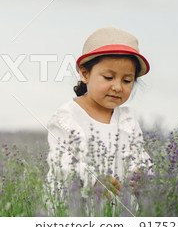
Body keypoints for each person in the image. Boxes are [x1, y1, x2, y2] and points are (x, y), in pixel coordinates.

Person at [46, 26, 152, 210]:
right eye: (109, 77)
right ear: (85, 74)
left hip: (118, 208)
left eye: (127, 80)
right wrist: (92, 179)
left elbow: (139, 156)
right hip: (77, 207)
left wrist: (140, 173)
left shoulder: (127, 120)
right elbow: (61, 162)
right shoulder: (67, 117)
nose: (118, 87)